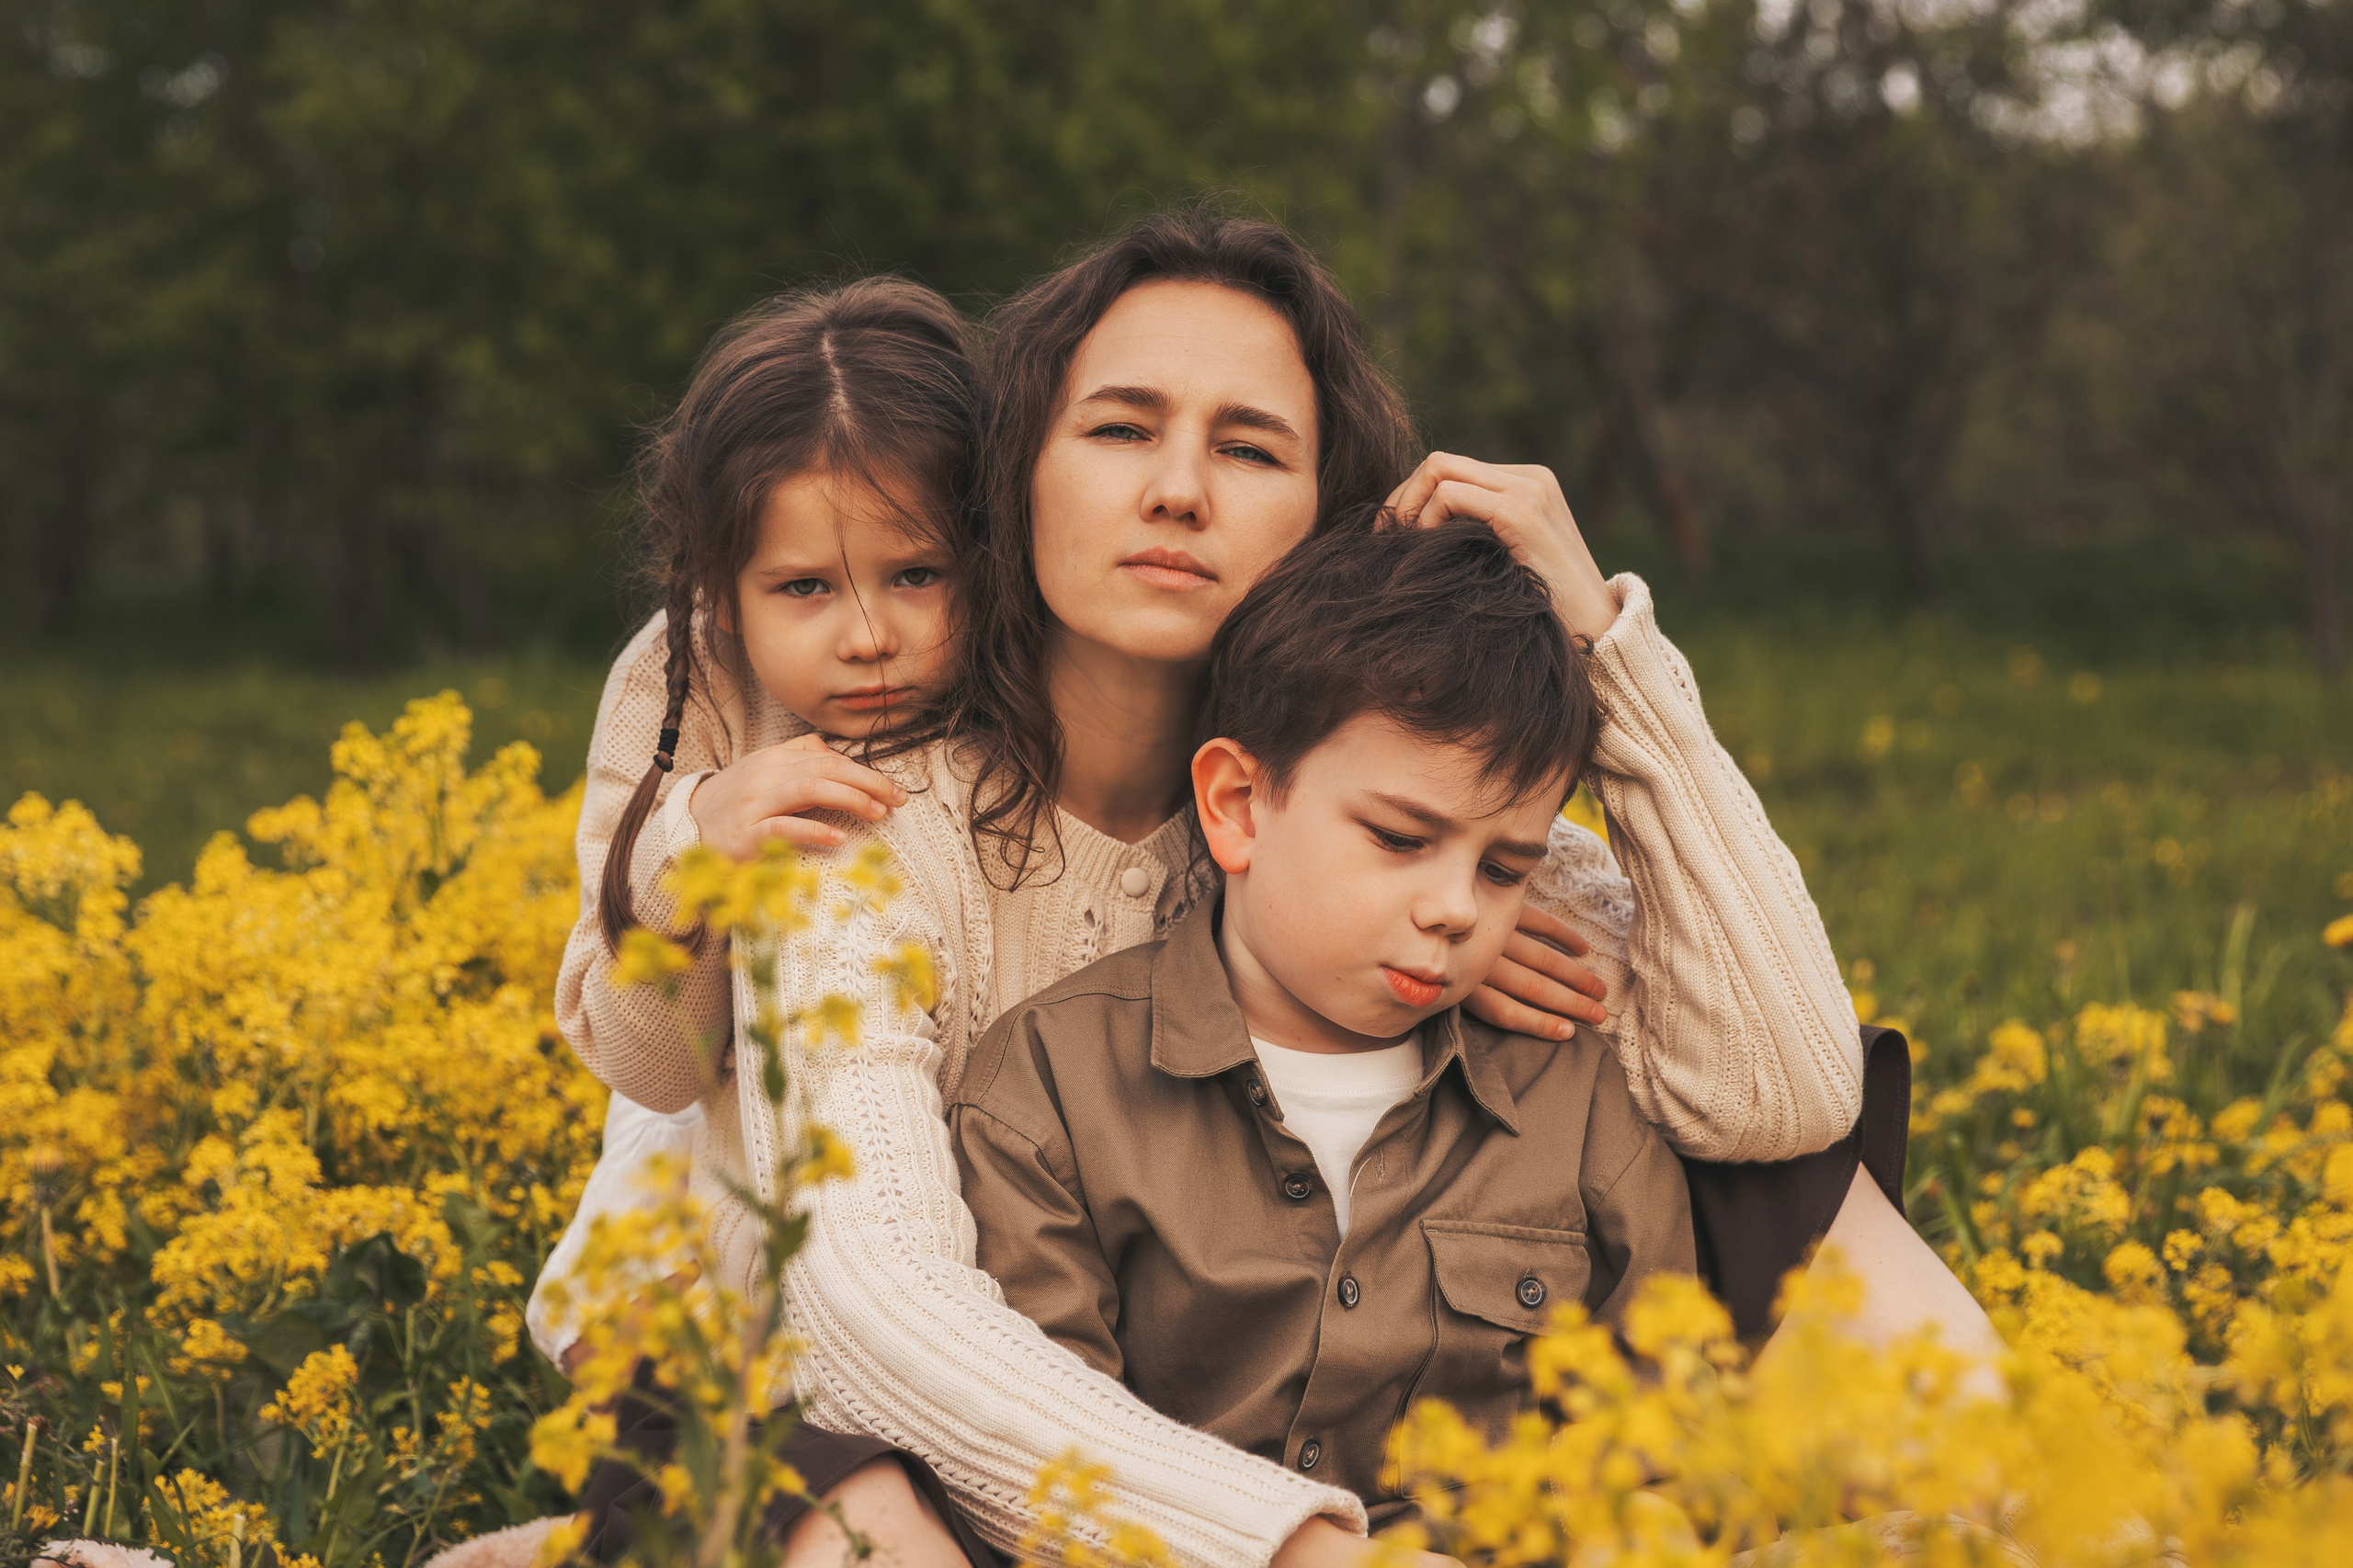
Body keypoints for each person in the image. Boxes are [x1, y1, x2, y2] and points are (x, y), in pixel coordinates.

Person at [529, 207, 1996, 1568]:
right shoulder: (844, 816)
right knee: (856, 1503)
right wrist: (1293, 1544)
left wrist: (1605, 656)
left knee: (1798, 1183)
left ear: (1325, 510)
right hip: (871, 1375)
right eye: (1119, 428)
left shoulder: (1391, 808)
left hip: (1193, 1372)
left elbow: (1782, 1097)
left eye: (1249, 448)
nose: (1177, 491)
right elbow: (865, 1304)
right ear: (1009, 480)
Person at [951, 515, 1696, 1520]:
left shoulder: (1568, 1089)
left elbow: (1669, 1439)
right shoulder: (1051, 1085)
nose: (1455, 906)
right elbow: (1052, 1456)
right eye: (1399, 837)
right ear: (1238, 805)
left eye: (1506, 867)